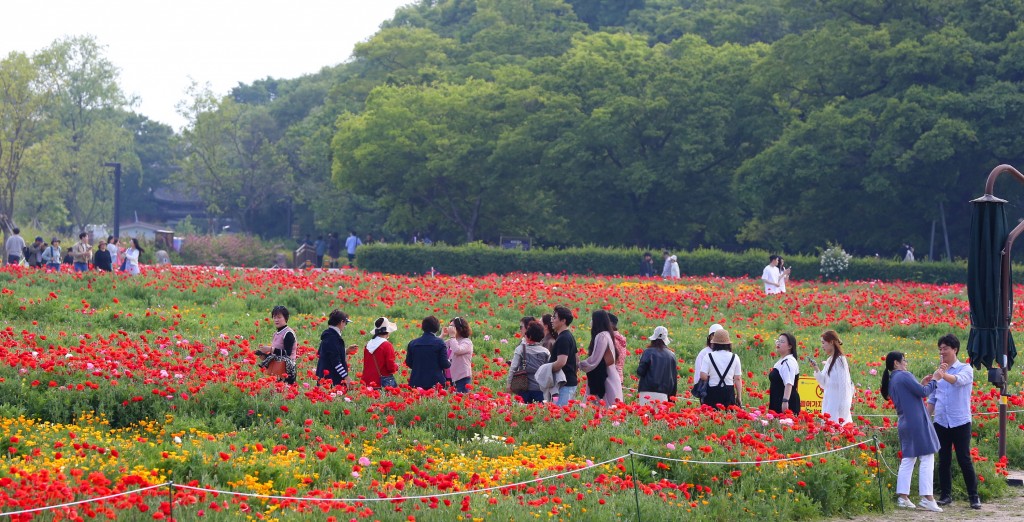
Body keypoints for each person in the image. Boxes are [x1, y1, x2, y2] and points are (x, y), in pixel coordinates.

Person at [880, 351, 942, 512]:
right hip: (916, 421)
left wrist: (921, 383)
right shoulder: (904, 375)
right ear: (896, 363)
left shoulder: (893, 379)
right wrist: (935, 379)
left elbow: (915, 391)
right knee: (927, 456)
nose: (906, 363)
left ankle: (903, 496)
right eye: (904, 360)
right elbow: (924, 393)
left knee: (908, 459)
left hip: (904, 421)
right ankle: (927, 497)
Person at [928, 334, 981, 509]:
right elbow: (933, 397)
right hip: (941, 420)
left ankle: (973, 497)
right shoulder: (939, 372)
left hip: (960, 421)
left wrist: (942, 375)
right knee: (944, 460)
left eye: (945, 348)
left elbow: (957, 382)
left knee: (964, 458)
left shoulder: (965, 368)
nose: (942, 352)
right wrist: (926, 417)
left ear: (955, 349)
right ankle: (945, 495)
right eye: (940, 349)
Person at [578, 310, 623, 407]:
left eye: (592, 319)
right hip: (611, 375)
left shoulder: (601, 336)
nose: (591, 322)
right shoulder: (608, 334)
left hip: (605, 377)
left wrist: (580, 364)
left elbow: (595, 359)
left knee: (603, 408)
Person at [809, 330, 854, 424]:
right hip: (829, 403)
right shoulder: (830, 360)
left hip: (837, 406)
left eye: (823, 343)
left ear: (831, 342)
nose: (822, 346)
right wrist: (816, 369)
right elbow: (824, 383)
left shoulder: (840, 360)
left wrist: (843, 408)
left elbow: (844, 385)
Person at [506, 321, 550, 403]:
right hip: (540, 389)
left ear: (529, 337)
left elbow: (513, 368)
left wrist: (509, 384)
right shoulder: (546, 352)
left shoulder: (520, 349)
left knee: (523, 411)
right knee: (538, 412)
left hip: (523, 388)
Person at [699, 329, 742, 410]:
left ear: (714, 343)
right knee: (727, 416)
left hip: (712, 391)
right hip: (728, 391)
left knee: (712, 416)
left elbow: (703, 376)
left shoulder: (708, 356)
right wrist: (739, 397)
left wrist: (712, 376)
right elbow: (738, 379)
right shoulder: (735, 357)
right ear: (728, 344)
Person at [405, 316, 450, 390]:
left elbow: (409, 362)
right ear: (437, 328)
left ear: (423, 327)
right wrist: (449, 362)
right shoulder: (440, 343)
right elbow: (444, 363)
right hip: (436, 382)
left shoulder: (413, 343)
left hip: (417, 381)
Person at [256, 305, 298, 384]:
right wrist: (263, 355)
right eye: (274, 317)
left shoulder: (288, 333)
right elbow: (277, 354)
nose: (276, 320)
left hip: (286, 370)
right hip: (276, 368)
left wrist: (270, 349)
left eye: (279, 317)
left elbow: (287, 353)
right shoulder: (276, 333)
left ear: (285, 318)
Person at [637, 326, 678, 405]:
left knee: (645, 415)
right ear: (665, 339)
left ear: (654, 338)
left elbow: (640, 372)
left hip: (646, 391)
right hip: (663, 393)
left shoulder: (648, 352)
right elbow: (674, 378)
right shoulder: (671, 355)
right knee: (659, 416)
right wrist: (672, 398)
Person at [548, 306, 579, 406]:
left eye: (555, 317)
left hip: (564, 384)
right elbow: (576, 359)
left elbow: (561, 362)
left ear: (563, 321)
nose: (552, 320)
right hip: (567, 382)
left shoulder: (563, 338)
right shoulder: (568, 336)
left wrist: (546, 370)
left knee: (559, 413)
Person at [314, 310, 353, 387]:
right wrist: (346, 377)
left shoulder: (328, 335)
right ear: (342, 322)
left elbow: (326, 354)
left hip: (324, 378)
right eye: (346, 323)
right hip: (331, 380)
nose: (345, 326)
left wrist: (345, 351)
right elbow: (336, 362)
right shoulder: (333, 338)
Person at [362, 317, 399, 388]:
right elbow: (390, 368)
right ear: (388, 332)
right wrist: (396, 366)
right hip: (381, 382)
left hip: (367, 382)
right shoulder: (387, 345)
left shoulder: (368, 344)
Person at [768, 333, 801, 414]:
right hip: (777, 399)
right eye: (778, 341)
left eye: (782, 341)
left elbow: (789, 383)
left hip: (785, 402)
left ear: (790, 346)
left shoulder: (788, 361)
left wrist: (785, 401)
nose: (778, 343)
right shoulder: (782, 360)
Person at [445, 316, 474, 393]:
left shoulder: (467, 342)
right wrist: (442, 335)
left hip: (461, 377)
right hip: (449, 377)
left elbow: (457, 350)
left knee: (461, 398)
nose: (450, 329)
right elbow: (438, 346)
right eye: (449, 326)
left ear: (459, 328)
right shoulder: (451, 340)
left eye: (452, 327)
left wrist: (452, 336)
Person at [609, 314, 627, 383]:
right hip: (618, 375)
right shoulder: (620, 338)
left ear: (611, 324)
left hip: (611, 377)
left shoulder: (612, 340)